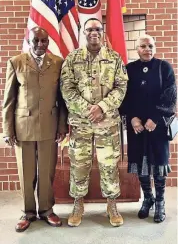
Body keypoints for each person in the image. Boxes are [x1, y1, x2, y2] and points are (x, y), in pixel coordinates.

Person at [60, 18, 128, 227]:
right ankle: (78, 204)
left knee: (109, 164)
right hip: (81, 123)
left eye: (98, 29)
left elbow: (121, 86)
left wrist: (102, 107)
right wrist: (88, 110)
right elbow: (67, 88)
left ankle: (112, 204)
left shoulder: (114, 58)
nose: (94, 33)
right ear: (83, 32)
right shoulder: (72, 59)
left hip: (107, 124)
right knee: (79, 165)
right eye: (89, 29)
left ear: (103, 31)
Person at [2, 27, 68, 232]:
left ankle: (47, 210)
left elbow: (62, 99)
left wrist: (62, 126)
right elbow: (9, 100)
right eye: (36, 41)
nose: (40, 45)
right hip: (24, 126)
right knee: (26, 171)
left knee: (47, 171)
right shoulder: (16, 62)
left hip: (49, 124)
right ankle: (27, 212)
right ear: (28, 40)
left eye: (44, 41)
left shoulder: (57, 63)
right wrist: (7, 130)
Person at [120, 34, 177, 223]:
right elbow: (122, 96)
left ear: (155, 47)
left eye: (150, 46)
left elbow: (170, 95)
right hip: (137, 128)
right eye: (143, 46)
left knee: (159, 165)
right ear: (137, 49)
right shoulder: (129, 69)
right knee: (141, 164)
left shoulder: (164, 68)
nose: (147, 49)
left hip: (157, 127)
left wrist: (155, 118)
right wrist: (132, 118)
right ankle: (148, 198)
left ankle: (160, 202)